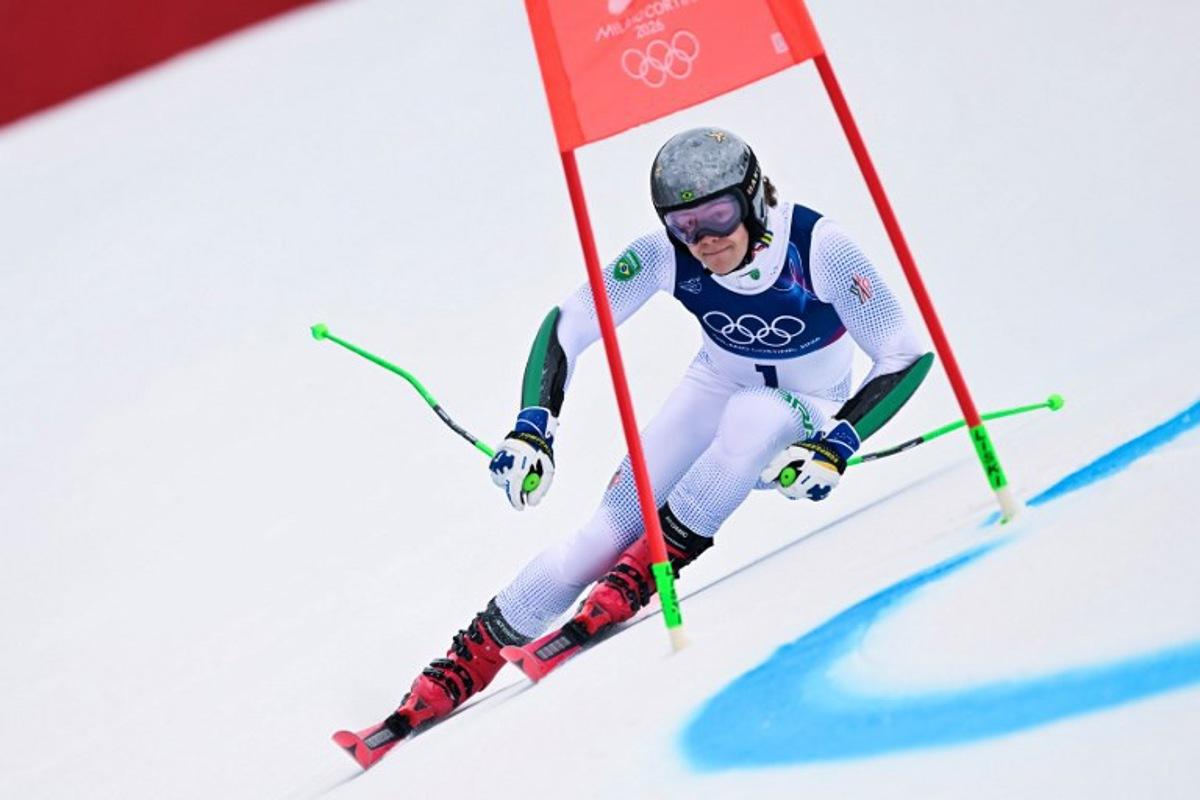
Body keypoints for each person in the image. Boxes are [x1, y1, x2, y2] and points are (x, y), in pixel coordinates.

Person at [335, 127, 929, 767]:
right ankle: (463, 663)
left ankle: (639, 576)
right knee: (603, 530)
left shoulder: (819, 248)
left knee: (753, 420)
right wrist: (535, 424)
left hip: (801, 410)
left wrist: (838, 443)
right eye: (684, 225)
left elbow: (904, 353)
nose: (704, 241)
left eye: (720, 216)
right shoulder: (666, 255)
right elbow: (567, 325)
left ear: (753, 197)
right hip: (715, 381)